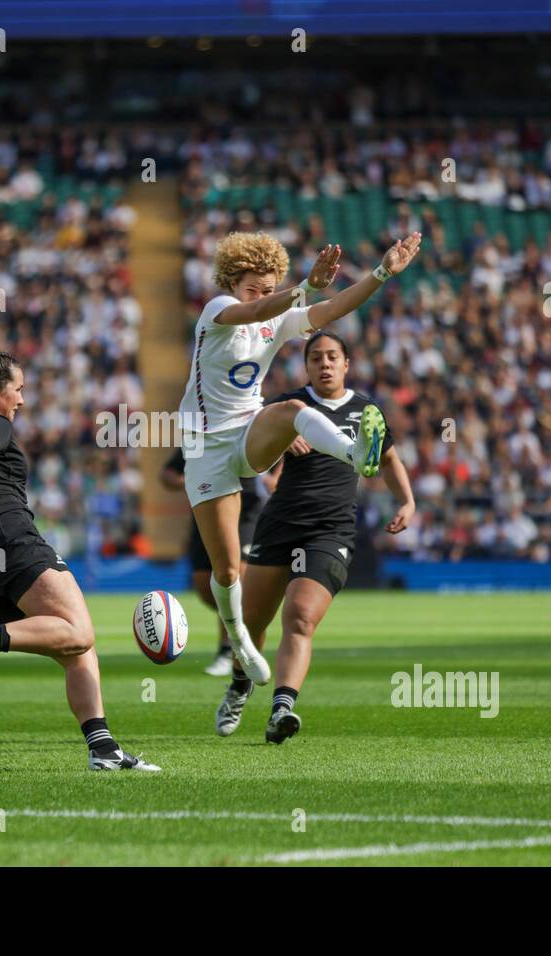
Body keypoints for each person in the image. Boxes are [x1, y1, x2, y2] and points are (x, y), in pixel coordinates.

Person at [0, 327, 158, 772]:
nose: (21, 400)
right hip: (14, 542)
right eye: (17, 389)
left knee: (73, 648)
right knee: (80, 634)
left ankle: (103, 750)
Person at [177, 231, 422, 685]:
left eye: (270, 288)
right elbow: (253, 312)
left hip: (249, 433)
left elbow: (332, 310)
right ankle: (239, 641)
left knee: (292, 410)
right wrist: (302, 288)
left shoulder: (279, 315)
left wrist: (382, 273)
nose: (262, 295)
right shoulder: (217, 310)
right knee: (228, 568)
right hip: (205, 447)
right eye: (254, 286)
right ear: (232, 282)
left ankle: (354, 451)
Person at [215, 331, 415, 741]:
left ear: (346, 364)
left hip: (330, 530)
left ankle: (281, 709)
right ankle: (239, 683)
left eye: (332, 357)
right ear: (306, 366)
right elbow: (251, 453)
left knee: (300, 616)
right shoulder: (289, 407)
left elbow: (388, 457)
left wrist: (407, 502)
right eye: (316, 358)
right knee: (250, 623)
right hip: (280, 524)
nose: (324, 364)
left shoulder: (366, 411)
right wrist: (281, 444)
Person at [158, 449, 265, 675]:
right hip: (206, 512)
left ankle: (228, 650)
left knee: (231, 578)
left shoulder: (249, 425)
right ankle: (235, 624)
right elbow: (167, 474)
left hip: (245, 511)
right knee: (205, 586)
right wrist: (194, 479)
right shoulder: (200, 439)